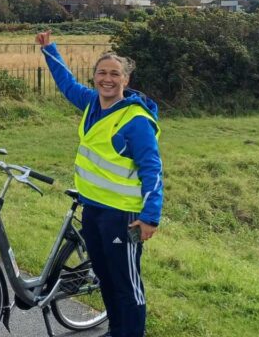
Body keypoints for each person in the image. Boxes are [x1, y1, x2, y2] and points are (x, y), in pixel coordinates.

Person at [36, 30, 163, 337]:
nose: (108, 79)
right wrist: (49, 49)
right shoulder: (93, 104)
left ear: (126, 81)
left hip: (123, 216)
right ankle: (116, 330)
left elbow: (152, 169)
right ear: (94, 77)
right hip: (93, 210)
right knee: (105, 277)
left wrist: (150, 216)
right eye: (102, 73)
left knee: (126, 283)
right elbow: (67, 84)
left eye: (115, 74)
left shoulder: (135, 121)